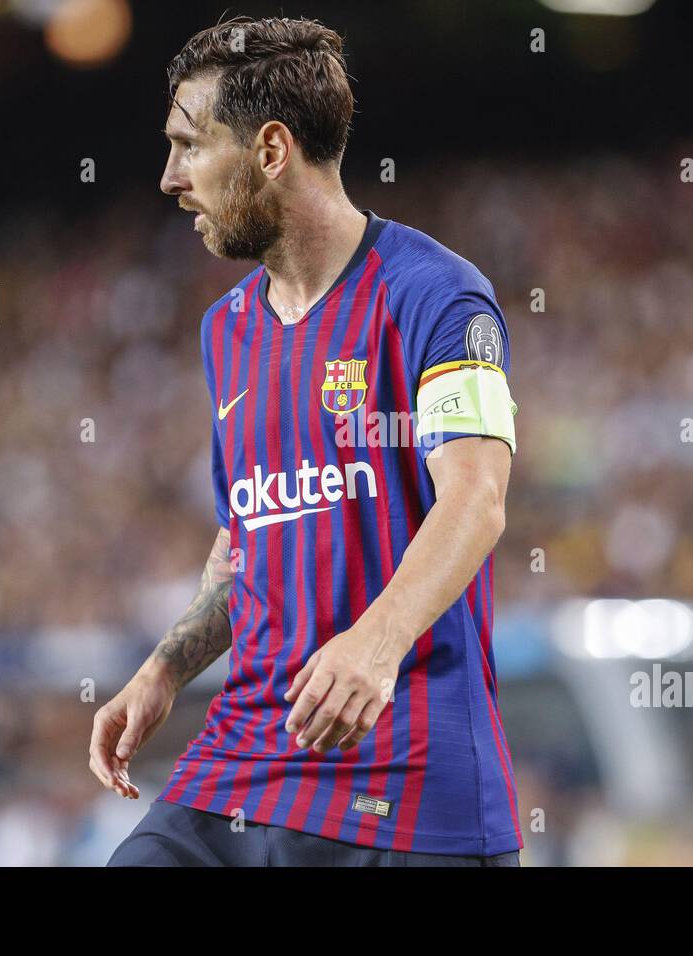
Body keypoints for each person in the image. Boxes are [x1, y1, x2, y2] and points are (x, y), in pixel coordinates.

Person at [92, 16, 521, 866]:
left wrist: (375, 643)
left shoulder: (436, 297)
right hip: (243, 764)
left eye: (189, 145)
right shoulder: (227, 331)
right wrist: (166, 669)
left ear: (272, 149)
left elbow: (476, 499)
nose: (171, 178)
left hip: (402, 772)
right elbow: (248, 541)